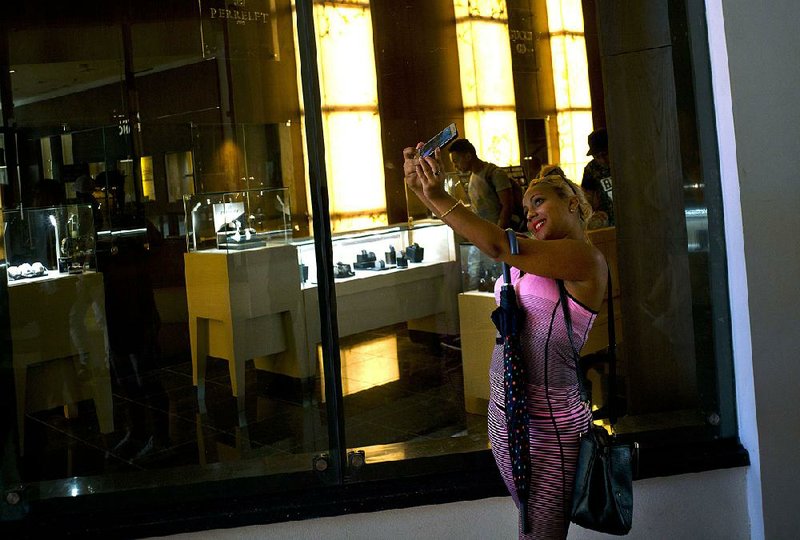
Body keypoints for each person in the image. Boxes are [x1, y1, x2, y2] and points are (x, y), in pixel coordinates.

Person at [404, 144, 607, 539]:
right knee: (528, 527)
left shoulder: (586, 260)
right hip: (509, 419)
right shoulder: (533, 254)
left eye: (539, 202)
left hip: (549, 429)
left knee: (539, 535)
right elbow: (485, 236)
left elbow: (497, 244)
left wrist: (438, 195)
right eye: (526, 207)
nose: (529, 212)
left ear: (570, 202)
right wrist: (419, 187)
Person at [447, 138, 523, 231]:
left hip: (499, 232)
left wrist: (499, 231)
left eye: (456, 161)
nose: (455, 166)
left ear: (468, 156)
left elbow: (507, 206)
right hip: (484, 231)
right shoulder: (472, 176)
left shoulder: (495, 174)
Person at [580, 127, 614, 228]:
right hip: (608, 221)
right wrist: (592, 214)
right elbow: (587, 197)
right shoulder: (591, 169)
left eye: (605, 154)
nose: (603, 160)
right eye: (597, 157)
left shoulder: (624, 161)